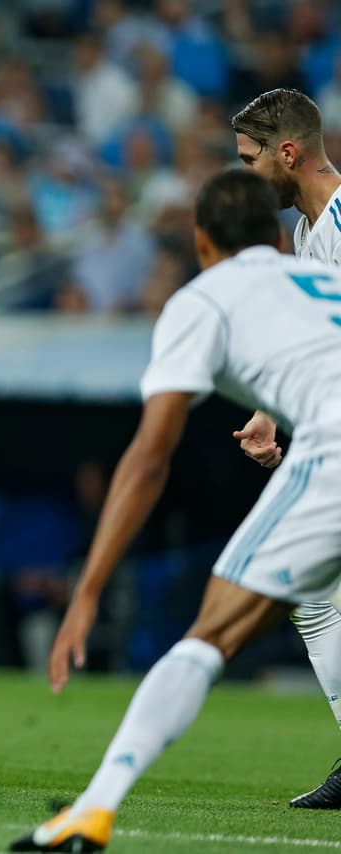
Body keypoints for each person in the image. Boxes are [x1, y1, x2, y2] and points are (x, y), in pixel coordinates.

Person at [11, 169, 341, 851]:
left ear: (200, 241)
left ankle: (93, 811)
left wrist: (89, 588)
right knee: (317, 605)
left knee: (210, 634)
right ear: (277, 237)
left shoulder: (202, 299)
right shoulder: (323, 279)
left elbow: (147, 459)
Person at [228, 87, 341, 809]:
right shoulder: (308, 231)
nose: (242, 176)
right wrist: (274, 410)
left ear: (288, 153)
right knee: (312, 588)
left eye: (249, 160)